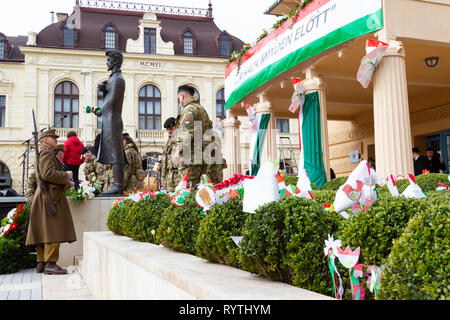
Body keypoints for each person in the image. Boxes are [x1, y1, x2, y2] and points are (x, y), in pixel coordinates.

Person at [26, 129, 76, 275]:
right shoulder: (47, 153)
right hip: (51, 196)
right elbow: (47, 174)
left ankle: (42, 262)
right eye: (53, 138)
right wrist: (66, 176)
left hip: (44, 195)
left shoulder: (42, 153)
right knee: (53, 231)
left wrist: (66, 183)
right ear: (45, 140)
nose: (56, 140)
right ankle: (51, 263)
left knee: (44, 231)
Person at [94, 49, 127, 195]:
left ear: (115, 61)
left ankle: (118, 185)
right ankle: (116, 184)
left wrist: (101, 110)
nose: (107, 63)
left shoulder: (118, 79)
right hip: (109, 119)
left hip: (112, 119)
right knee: (113, 151)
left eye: (109, 60)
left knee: (115, 152)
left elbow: (113, 99)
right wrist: (104, 91)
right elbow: (109, 97)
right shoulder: (113, 79)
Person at [172, 85, 216, 189]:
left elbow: (186, 133)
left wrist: (178, 151)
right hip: (202, 157)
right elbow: (210, 135)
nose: (180, 101)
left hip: (190, 158)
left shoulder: (189, 110)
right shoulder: (202, 110)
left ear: (182, 96)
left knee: (186, 191)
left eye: (179, 98)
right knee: (200, 192)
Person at [161, 117, 177, 192]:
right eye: (167, 129)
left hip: (177, 176)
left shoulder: (179, 140)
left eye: (171, 128)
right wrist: (163, 178)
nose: (169, 131)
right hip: (169, 177)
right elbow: (164, 161)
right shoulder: (168, 142)